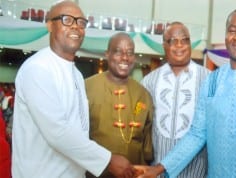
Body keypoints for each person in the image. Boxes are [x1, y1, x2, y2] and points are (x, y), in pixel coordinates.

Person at [135, 8, 236, 178]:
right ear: (226, 36)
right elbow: (197, 134)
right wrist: (160, 168)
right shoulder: (212, 81)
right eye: (232, 30)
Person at [12, 1, 135, 178]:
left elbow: (78, 130)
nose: (76, 27)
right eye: (67, 20)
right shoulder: (38, 68)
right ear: (50, 25)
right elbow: (58, 132)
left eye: (81, 22)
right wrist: (108, 160)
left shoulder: (76, 74)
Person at [140, 21, 210, 178]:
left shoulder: (208, 79)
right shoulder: (149, 81)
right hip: (156, 171)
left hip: (196, 171)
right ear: (164, 45)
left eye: (184, 40)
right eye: (173, 41)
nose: (180, 45)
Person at [85, 32, 154, 178]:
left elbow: (146, 146)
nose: (124, 57)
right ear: (107, 54)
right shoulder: (87, 87)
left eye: (129, 53)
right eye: (118, 52)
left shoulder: (143, 94)